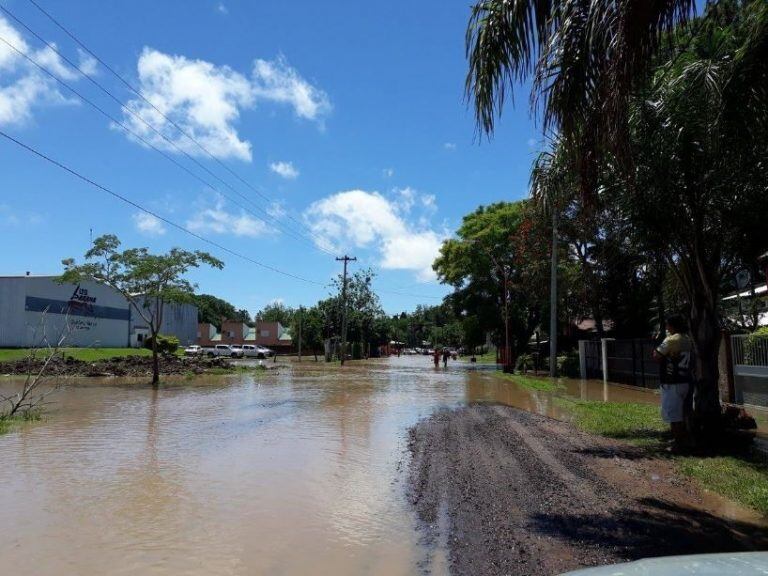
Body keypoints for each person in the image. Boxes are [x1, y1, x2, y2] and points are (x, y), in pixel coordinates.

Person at [652, 314, 694, 448]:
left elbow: (657, 356)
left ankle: (679, 444)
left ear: (672, 326)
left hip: (672, 382)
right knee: (682, 413)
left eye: (668, 325)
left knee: (674, 415)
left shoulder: (671, 340)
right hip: (685, 381)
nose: (667, 328)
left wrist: (656, 343)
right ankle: (683, 440)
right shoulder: (687, 339)